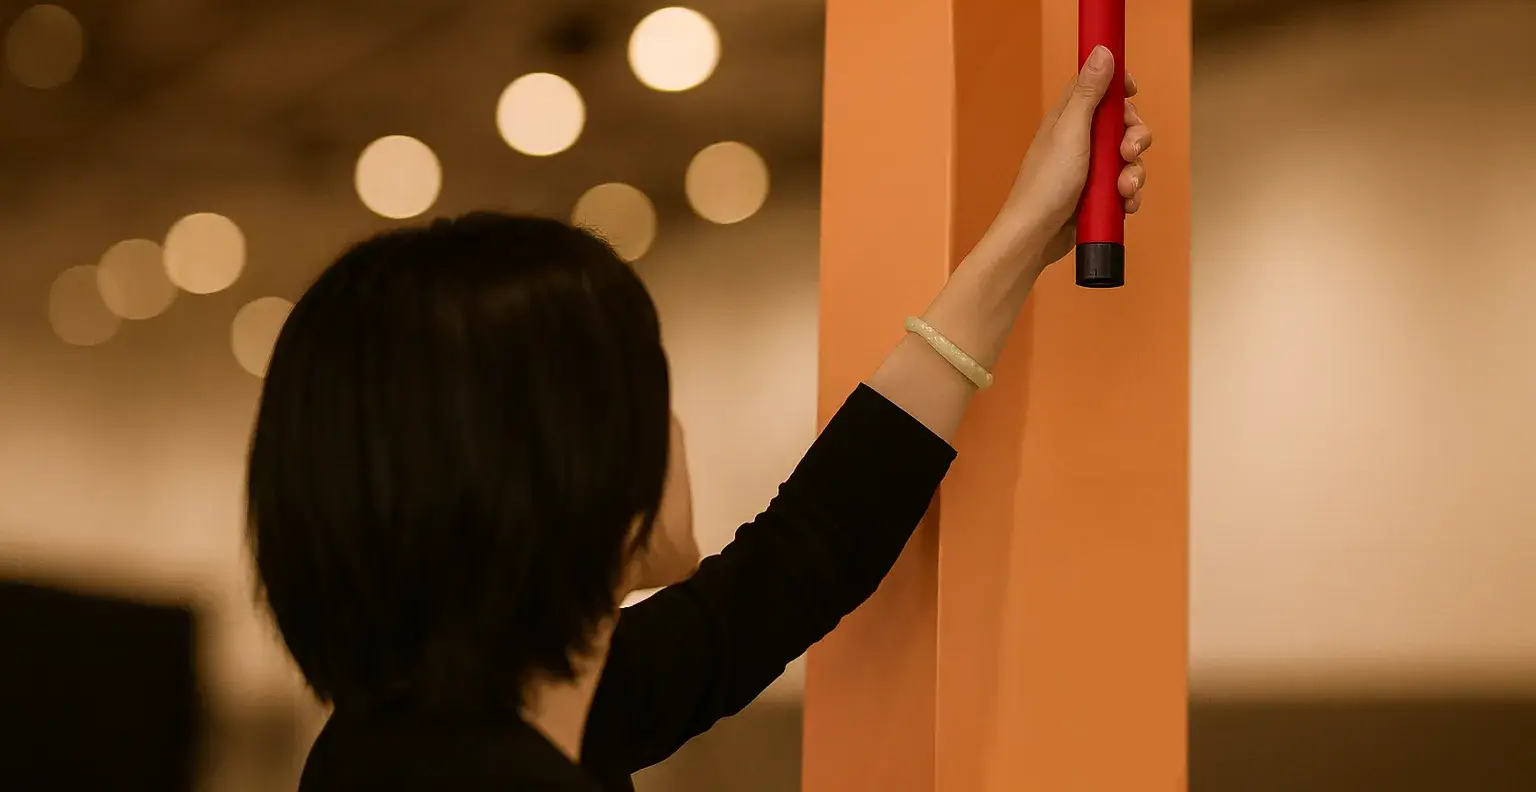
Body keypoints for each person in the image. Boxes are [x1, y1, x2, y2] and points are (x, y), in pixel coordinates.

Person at [246, 47, 1150, 792]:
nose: (674, 434)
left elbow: (806, 553)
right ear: (569, 468)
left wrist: (1025, 233)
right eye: (652, 398)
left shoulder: (433, 733)